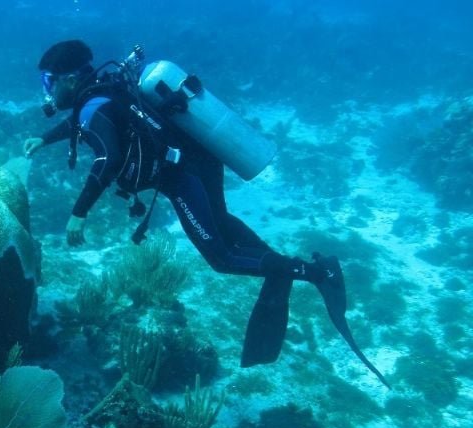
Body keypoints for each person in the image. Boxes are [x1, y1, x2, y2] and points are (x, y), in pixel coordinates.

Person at [24, 40, 389, 387]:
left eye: (48, 82)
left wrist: (79, 212)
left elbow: (108, 158)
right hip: (200, 160)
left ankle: (313, 272)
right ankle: (278, 265)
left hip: (183, 177)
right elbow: (84, 123)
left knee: (221, 257)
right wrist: (45, 138)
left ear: (69, 79)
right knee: (222, 225)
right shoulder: (103, 91)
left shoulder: (93, 104)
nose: (47, 91)